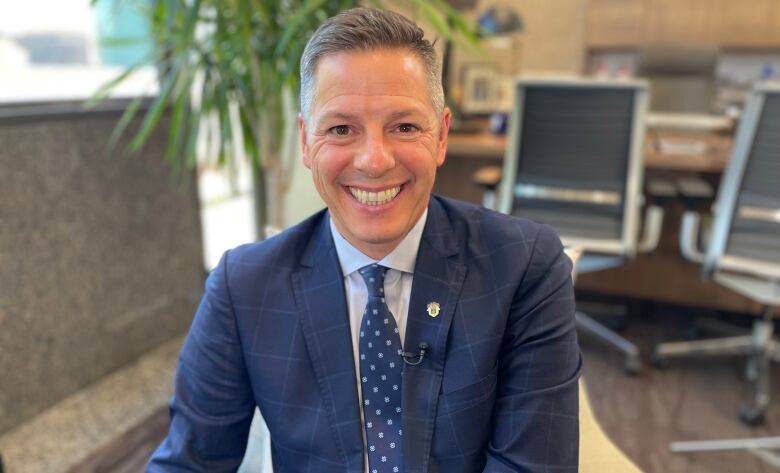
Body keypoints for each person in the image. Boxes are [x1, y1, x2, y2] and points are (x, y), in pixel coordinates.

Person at [148, 7, 580, 473]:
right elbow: (188, 463)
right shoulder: (244, 287)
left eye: (405, 127)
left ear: (441, 136)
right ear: (306, 141)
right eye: (340, 129)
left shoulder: (523, 266)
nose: (374, 160)